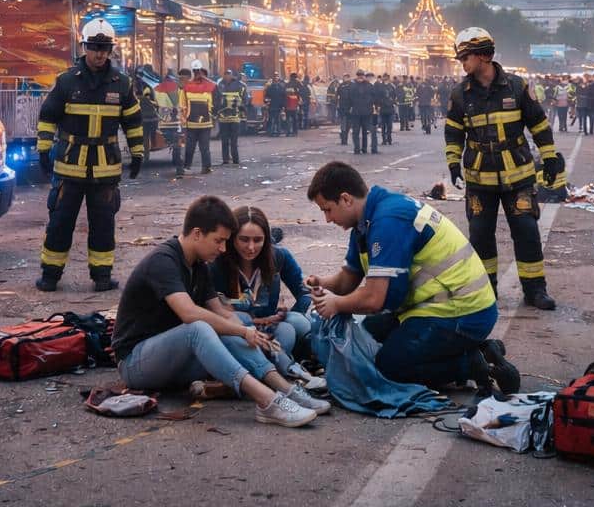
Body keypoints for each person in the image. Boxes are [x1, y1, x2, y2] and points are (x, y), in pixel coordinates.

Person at [305, 162, 518, 394]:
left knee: (389, 367)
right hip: (435, 308)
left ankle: (474, 366)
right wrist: (323, 284)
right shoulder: (367, 220)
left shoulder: (387, 221)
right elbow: (348, 278)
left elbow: (375, 298)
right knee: (369, 334)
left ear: (345, 199)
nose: (327, 219)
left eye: (327, 209)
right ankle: (478, 349)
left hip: (461, 312)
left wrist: (336, 304)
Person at [114, 196, 323, 427]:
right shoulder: (163, 261)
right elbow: (189, 314)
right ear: (197, 233)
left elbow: (223, 313)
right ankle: (268, 402)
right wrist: (242, 332)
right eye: (219, 241)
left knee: (236, 324)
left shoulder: (199, 266)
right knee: (199, 328)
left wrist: (250, 333)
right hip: (136, 363)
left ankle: (285, 388)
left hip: (174, 359)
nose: (224, 248)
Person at [445, 27, 563, 310]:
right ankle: (487, 291)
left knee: (526, 232)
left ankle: (535, 290)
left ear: (484, 56)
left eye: (466, 57)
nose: (462, 63)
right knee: (480, 236)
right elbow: (453, 132)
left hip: (518, 176)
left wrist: (549, 158)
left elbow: (539, 124)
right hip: (478, 179)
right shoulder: (461, 94)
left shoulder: (517, 86)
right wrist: (453, 161)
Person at [36, 18, 143, 293]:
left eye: (104, 48)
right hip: (70, 166)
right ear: (85, 47)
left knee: (103, 224)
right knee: (60, 222)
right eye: (94, 47)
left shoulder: (121, 84)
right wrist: (44, 148)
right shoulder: (67, 81)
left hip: (105, 168)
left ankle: (102, 276)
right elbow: (48, 116)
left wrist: (138, 152)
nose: (99, 53)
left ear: (111, 50)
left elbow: (132, 121)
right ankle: (50, 275)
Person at [209, 205, 313, 375]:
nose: (251, 247)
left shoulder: (279, 257)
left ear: (266, 240)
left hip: (272, 326)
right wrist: (251, 323)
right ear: (232, 238)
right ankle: (276, 369)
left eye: (258, 240)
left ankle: (272, 368)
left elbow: (304, 293)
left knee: (297, 324)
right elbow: (214, 309)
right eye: (244, 239)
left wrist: (286, 314)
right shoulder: (217, 263)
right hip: (237, 329)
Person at [182, 66, 216, 174]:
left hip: (197, 123)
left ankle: (194, 167)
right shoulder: (208, 87)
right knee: (198, 147)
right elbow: (183, 105)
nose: (198, 75)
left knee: (198, 147)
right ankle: (202, 167)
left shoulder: (187, 87)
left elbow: (183, 105)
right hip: (200, 124)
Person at [155, 69, 186, 179]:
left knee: (175, 146)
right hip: (176, 123)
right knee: (177, 146)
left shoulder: (157, 89)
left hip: (163, 123)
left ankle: (179, 168)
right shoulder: (179, 90)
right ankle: (179, 169)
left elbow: (155, 105)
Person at [217, 69, 246, 166]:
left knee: (234, 141)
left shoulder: (239, 85)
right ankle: (225, 160)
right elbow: (216, 100)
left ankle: (235, 160)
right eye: (225, 75)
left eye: (228, 75)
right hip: (223, 118)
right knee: (224, 140)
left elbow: (245, 99)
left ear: (231, 75)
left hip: (234, 117)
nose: (227, 77)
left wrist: (242, 109)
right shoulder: (220, 85)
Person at [346, 70, 378, 155]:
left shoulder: (352, 86)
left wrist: (349, 109)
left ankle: (357, 149)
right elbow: (375, 98)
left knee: (356, 132)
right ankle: (366, 149)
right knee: (367, 131)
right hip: (367, 112)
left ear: (356, 76)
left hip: (356, 112)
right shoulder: (369, 85)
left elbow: (348, 99)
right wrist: (373, 106)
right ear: (363, 76)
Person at [376, 74, 396, 146]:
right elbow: (377, 96)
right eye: (384, 77)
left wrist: (393, 102)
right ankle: (384, 139)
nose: (385, 79)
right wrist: (378, 105)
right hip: (383, 108)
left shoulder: (392, 86)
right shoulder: (380, 87)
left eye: (386, 77)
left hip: (390, 108)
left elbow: (395, 96)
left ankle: (389, 138)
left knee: (389, 125)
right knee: (383, 125)